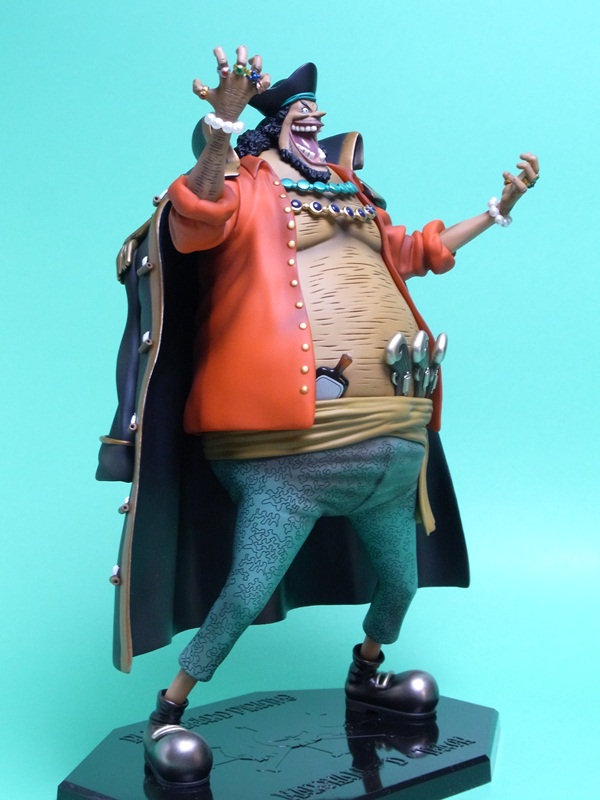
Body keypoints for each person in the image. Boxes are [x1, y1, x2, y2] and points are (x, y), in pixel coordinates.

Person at [98, 46, 538, 789]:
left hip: (391, 447)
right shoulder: (245, 185)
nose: (316, 120)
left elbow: (415, 251)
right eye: (301, 114)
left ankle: (367, 675)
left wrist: (498, 211)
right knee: (245, 591)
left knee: (400, 586)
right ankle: (169, 710)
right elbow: (195, 215)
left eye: (316, 114)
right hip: (287, 453)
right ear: (272, 127)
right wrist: (222, 125)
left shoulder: (351, 194)